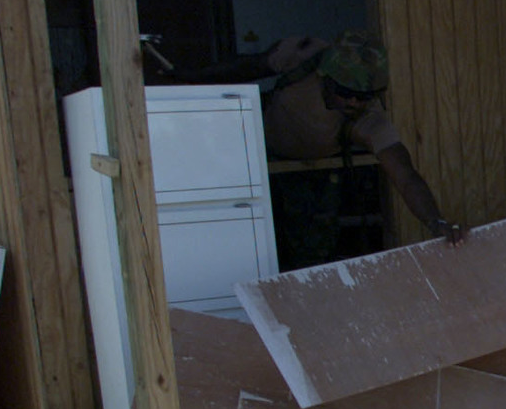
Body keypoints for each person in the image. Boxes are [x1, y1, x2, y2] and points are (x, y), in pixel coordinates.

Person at [176, 31, 462, 264]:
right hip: (251, 159)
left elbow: (405, 174)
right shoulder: (303, 55)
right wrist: (191, 79)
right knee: (236, 245)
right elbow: (247, 67)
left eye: (364, 96)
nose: (353, 103)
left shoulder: (370, 120)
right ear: (326, 78)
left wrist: (435, 222)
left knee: (308, 256)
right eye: (346, 93)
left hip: (310, 175)